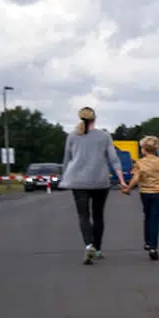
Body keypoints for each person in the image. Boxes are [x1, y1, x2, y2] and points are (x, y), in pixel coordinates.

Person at [59, 106, 123, 265]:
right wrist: (121, 180)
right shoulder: (104, 136)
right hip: (100, 180)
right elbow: (113, 159)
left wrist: (64, 178)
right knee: (98, 215)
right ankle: (98, 249)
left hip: (78, 181)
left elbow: (67, 159)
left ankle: (88, 245)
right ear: (95, 118)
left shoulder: (72, 136)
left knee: (83, 215)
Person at [120, 136, 159, 261]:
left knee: (147, 216)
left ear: (143, 149)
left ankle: (147, 241)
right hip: (158, 192)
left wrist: (128, 188)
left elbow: (136, 178)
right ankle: (153, 247)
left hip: (145, 192)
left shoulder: (139, 163)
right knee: (155, 219)